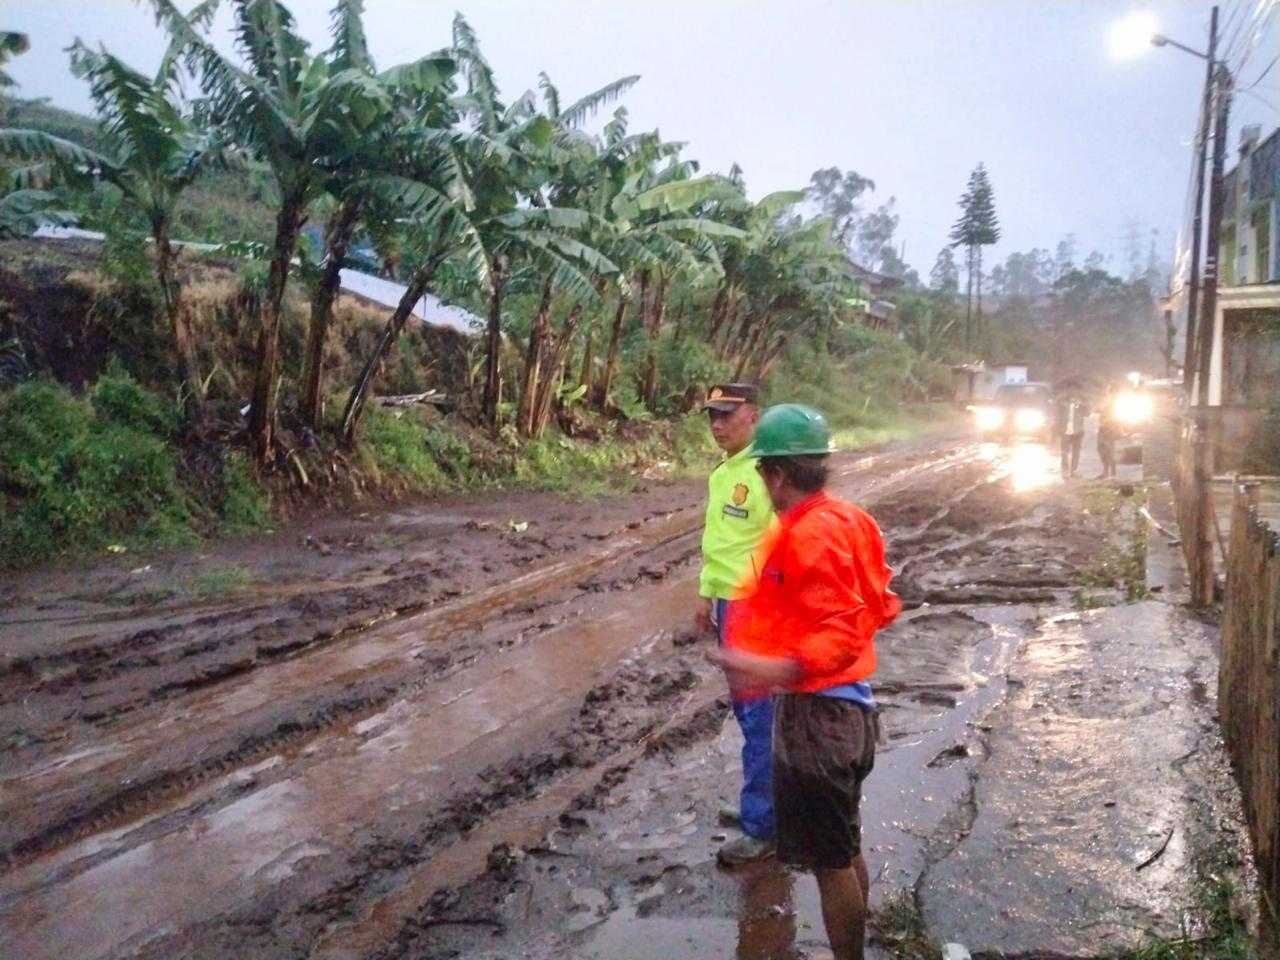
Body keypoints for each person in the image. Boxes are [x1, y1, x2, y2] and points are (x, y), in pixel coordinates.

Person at [712, 404, 901, 960]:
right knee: (844, 842)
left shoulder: (805, 534)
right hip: (853, 709)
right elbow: (879, 604)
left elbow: (838, 629)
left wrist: (774, 667)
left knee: (829, 865)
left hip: (819, 718)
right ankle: (859, 939)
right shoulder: (851, 519)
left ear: (775, 475)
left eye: (762, 472)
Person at [694, 382, 778, 865]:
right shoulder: (724, 471)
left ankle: (764, 826)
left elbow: (782, 549)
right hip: (729, 604)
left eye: (727, 414)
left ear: (754, 415)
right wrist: (706, 595)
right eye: (712, 416)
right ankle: (760, 808)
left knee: (760, 716)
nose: (718, 425)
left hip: (755, 608)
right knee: (750, 714)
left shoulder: (769, 473)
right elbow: (719, 541)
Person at [1055, 384, 1088, 478]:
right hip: (1065, 429)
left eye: (1075, 390)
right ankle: (1065, 471)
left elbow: (1087, 413)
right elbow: (1056, 414)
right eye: (1071, 390)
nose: (1073, 392)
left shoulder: (1081, 402)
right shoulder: (1062, 402)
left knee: (1076, 452)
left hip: (1078, 430)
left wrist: (1082, 405)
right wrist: (1057, 428)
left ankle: (1073, 470)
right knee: (1065, 452)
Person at [1097, 386, 1120, 479]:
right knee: (1103, 451)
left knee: (1109, 452)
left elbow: (1117, 419)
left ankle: (1112, 474)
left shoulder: (1116, 404)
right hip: (1103, 429)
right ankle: (1106, 472)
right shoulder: (1108, 403)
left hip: (1110, 430)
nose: (1110, 394)